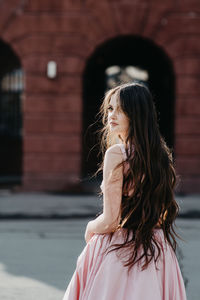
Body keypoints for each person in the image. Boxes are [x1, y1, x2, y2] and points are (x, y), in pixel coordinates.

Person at [62, 82, 187, 300]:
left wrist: (90, 228)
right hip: (158, 251)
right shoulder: (160, 156)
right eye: (110, 108)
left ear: (136, 113)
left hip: (121, 250)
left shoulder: (117, 154)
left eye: (121, 109)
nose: (112, 114)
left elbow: (111, 220)